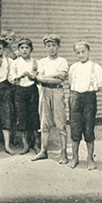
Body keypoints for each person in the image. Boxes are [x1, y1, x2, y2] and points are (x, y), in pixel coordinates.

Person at [31, 34, 69, 164]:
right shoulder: (42, 62)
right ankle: (43, 151)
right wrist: (52, 76)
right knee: (44, 122)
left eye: (54, 45)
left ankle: (63, 153)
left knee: (60, 123)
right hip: (44, 91)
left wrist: (44, 78)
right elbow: (38, 78)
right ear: (45, 47)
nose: (51, 48)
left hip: (57, 91)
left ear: (58, 46)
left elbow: (62, 78)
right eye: (48, 46)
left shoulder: (62, 61)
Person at [68, 41, 102, 170]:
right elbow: (70, 82)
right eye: (77, 52)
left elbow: (99, 86)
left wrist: (88, 90)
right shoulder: (73, 67)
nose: (81, 54)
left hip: (89, 98)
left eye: (83, 51)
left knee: (89, 128)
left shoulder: (96, 67)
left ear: (88, 51)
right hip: (75, 98)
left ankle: (90, 158)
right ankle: (75, 157)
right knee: (75, 128)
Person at [8, 38, 41, 155]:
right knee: (21, 117)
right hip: (19, 91)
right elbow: (11, 77)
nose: (24, 50)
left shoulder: (36, 62)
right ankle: (25, 144)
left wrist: (34, 77)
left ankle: (36, 144)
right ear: (19, 50)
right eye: (22, 48)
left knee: (34, 117)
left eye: (27, 48)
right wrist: (19, 76)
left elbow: (40, 76)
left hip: (32, 90)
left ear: (31, 49)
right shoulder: (15, 63)